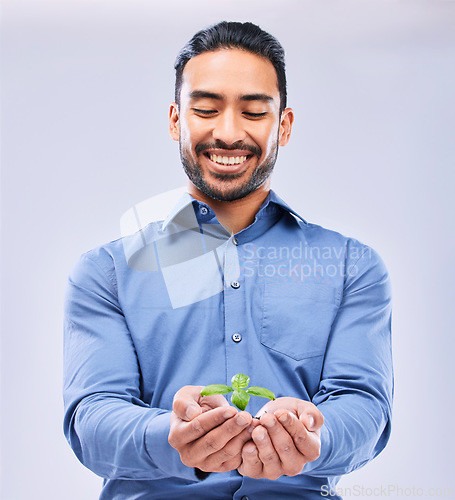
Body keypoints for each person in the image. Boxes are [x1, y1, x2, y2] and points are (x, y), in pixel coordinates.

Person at [63, 21, 393, 499]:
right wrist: (168, 438)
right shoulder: (106, 273)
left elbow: (364, 406)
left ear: (284, 125)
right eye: (205, 109)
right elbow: (91, 416)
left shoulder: (352, 268)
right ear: (177, 120)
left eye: (255, 112)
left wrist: (315, 435)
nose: (229, 133)